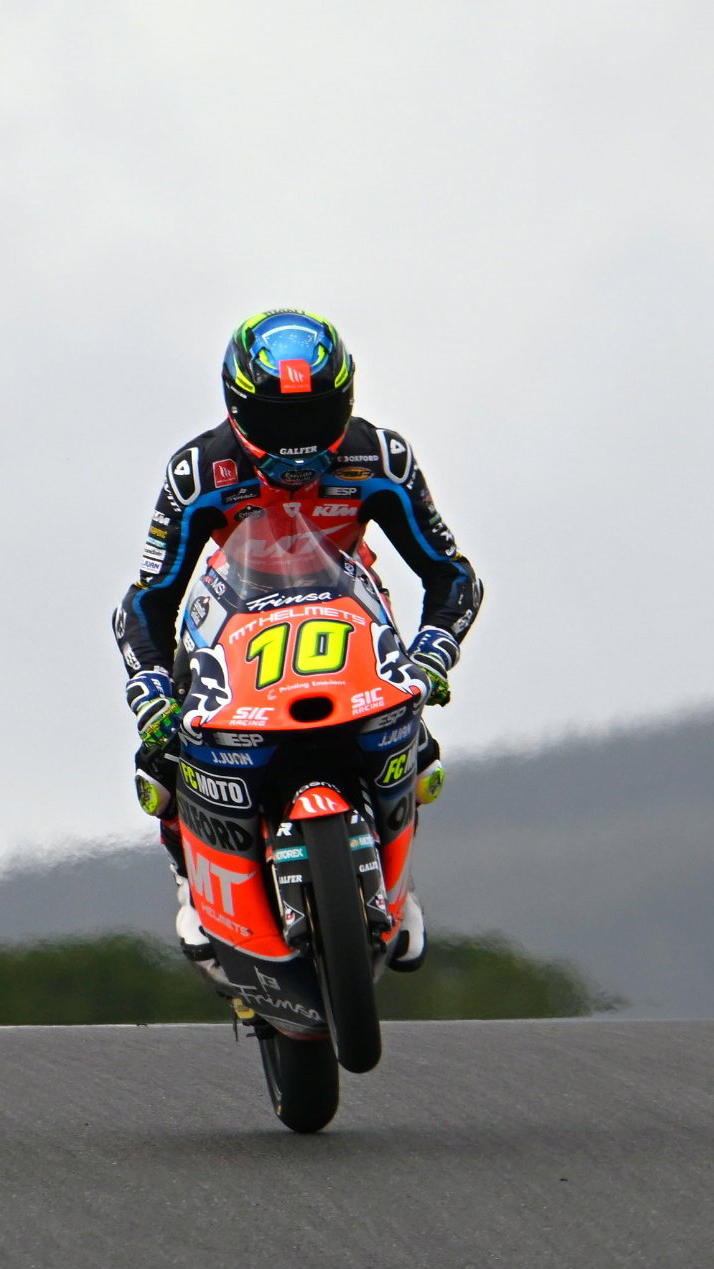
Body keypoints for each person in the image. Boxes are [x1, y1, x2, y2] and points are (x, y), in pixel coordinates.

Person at [113, 309, 482, 988]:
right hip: (231, 624)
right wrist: (149, 686)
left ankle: (394, 881)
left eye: (313, 419)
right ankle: (191, 881)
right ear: (236, 408)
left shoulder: (380, 458)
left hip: (349, 620)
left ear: (345, 403)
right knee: (161, 753)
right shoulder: (198, 472)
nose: (298, 446)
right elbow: (146, 598)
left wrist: (433, 649)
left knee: (412, 740)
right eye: (280, 425)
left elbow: (451, 573)